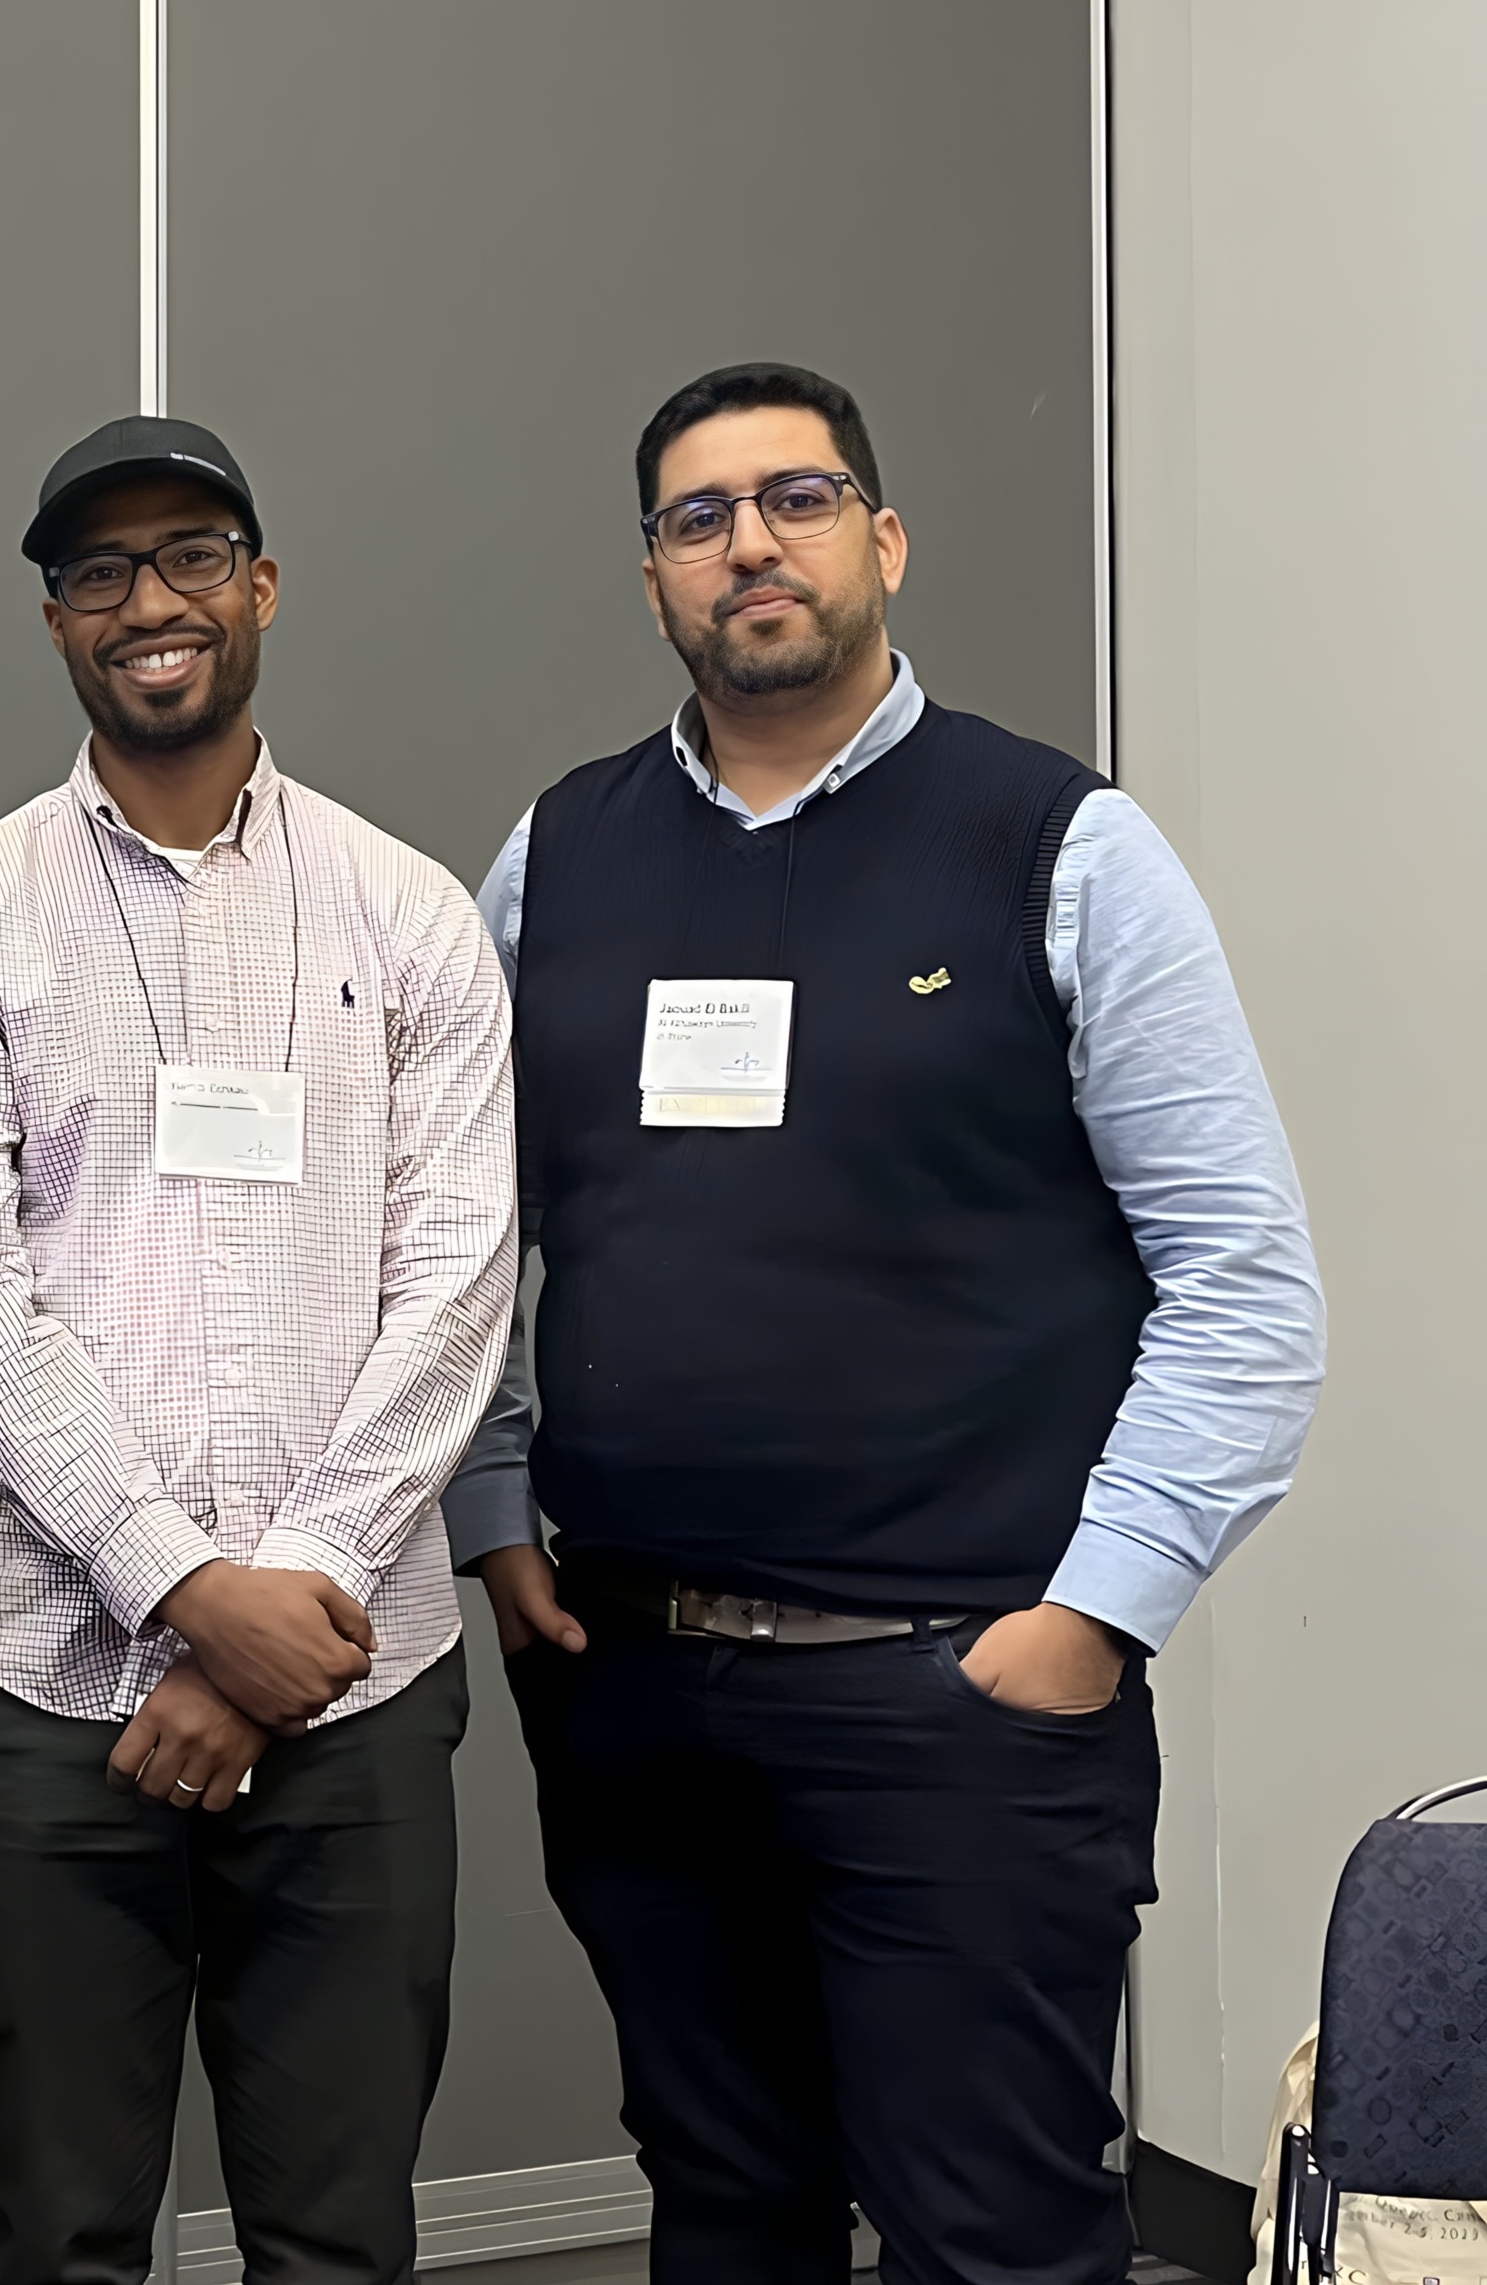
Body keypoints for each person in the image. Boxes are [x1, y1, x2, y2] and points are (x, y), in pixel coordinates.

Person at [448, 362, 1323, 2285]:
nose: (749, 542)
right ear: (655, 577)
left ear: (885, 539)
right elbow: (451, 1236)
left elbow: (1246, 1283)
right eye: (699, 516)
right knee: (726, 2215)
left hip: (960, 1700)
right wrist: (492, 1512)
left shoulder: (1063, 848)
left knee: (989, 2237)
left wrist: (1090, 1620)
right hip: (641, 1690)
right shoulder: (555, 862)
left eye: (799, 497)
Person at [0, 419, 517, 2284]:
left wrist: (282, 1608)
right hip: (36, 1693)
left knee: (337, 2236)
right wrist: (185, 1589)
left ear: (262, 586)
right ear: (57, 621)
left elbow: (461, 1278)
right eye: (98, 573)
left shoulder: (407, 913)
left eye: (191, 557)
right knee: (59, 2238)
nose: (148, 604)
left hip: (354, 1692)